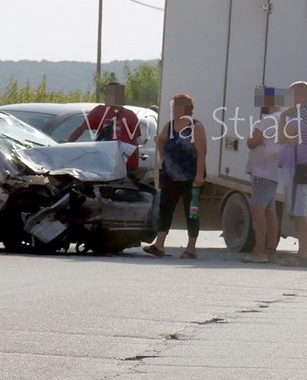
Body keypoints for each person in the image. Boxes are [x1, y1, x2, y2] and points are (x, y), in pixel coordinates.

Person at [144, 94, 207, 259]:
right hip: (170, 177)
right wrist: (163, 159)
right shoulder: (170, 126)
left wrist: (199, 175)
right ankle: (159, 244)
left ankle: (191, 248)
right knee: (165, 208)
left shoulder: (195, 127)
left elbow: (201, 153)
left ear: (185, 108)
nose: (173, 109)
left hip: (191, 178)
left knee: (191, 212)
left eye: (176, 106)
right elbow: (160, 140)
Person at [277, 81, 307, 266]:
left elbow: (281, 138)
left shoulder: (304, 114)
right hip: (301, 167)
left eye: (292, 95)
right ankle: (302, 252)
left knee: (299, 211)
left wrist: (282, 117)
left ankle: (303, 254)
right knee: (297, 210)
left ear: (301, 96)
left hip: (299, 168)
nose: (290, 99)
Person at [66, 81, 142, 179]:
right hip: (105, 163)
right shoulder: (99, 111)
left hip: (127, 163)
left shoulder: (130, 115)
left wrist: (137, 165)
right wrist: (67, 145)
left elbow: (135, 142)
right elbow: (82, 128)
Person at [242, 103, 282, 263]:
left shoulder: (268, 120)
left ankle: (259, 251)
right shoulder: (282, 118)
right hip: (273, 170)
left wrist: (252, 139)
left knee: (257, 209)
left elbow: (252, 142)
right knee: (270, 210)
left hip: (262, 171)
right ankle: (271, 249)